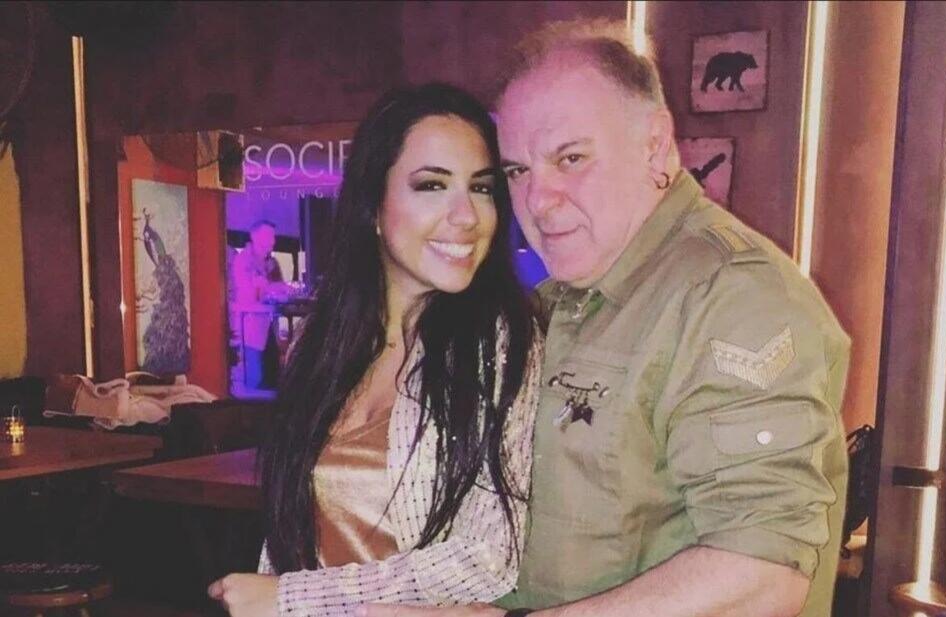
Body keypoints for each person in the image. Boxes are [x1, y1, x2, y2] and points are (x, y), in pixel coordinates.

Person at [359, 18, 850, 617]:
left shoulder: (731, 295)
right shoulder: (558, 299)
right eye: (517, 171)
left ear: (655, 145)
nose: (538, 201)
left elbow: (763, 573)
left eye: (570, 158)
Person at [208, 83, 542, 617]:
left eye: (481, 188)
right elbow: (291, 523)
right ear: (373, 206)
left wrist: (293, 599)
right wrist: (274, 591)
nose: (467, 216)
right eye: (432, 185)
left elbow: (488, 556)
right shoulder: (321, 343)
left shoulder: (499, 343)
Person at [229, 219, 290, 389]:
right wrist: (272, 288)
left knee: (272, 379)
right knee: (254, 379)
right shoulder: (243, 260)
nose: (273, 241)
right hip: (250, 326)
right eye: (268, 236)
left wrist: (277, 288)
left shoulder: (272, 263)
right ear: (254, 236)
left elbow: (281, 288)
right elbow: (250, 292)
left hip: (269, 326)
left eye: (273, 237)